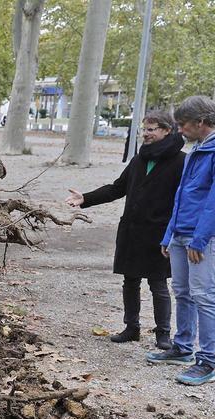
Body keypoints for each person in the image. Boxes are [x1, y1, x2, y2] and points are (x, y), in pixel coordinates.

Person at [145, 95, 215, 386]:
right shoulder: (200, 147)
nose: (179, 130)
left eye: (182, 124)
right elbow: (183, 195)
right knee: (183, 292)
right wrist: (171, 233)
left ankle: (207, 361)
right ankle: (183, 347)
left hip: (204, 237)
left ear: (201, 122)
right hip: (182, 234)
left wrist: (200, 239)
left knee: (204, 295)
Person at [65, 109, 185, 350]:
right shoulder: (139, 159)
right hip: (131, 231)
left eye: (151, 129)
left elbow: (185, 201)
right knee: (130, 281)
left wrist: (175, 234)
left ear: (166, 130)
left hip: (159, 234)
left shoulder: (181, 161)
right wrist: (85, 198)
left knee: (158, 284)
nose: (146, 134)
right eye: (144, 129)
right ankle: (132, 328)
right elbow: (117, 188)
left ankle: (163, 333)